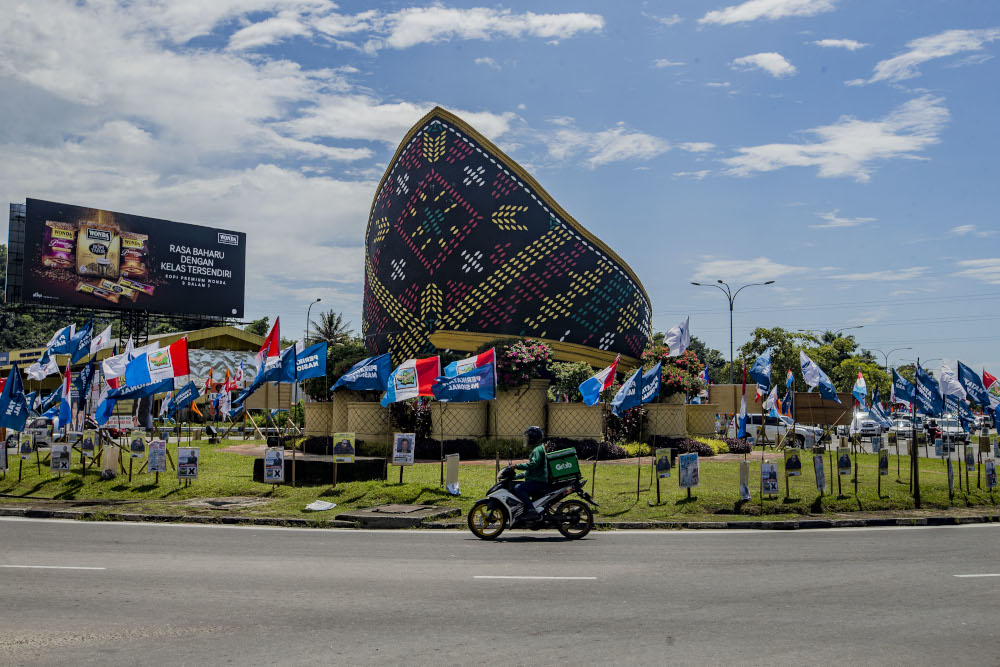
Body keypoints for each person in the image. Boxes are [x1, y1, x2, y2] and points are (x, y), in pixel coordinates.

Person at [513, 426, 548, 521]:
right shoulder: (538, 448)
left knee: (519, 488)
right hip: (537, 478)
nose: (526, 439)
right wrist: (516, 476)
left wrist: (517, 466)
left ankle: (531, 510)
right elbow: (531, 470)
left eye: (528, 437)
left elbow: (533, 464)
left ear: (533, 438)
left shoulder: (537, 450)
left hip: (538, 481)